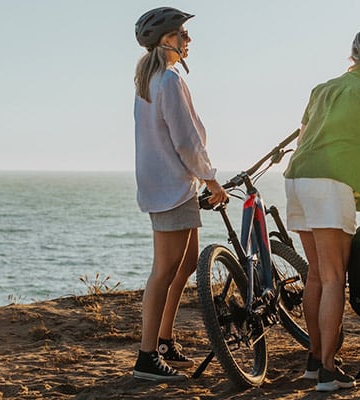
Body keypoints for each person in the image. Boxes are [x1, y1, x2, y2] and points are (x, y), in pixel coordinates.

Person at [283, 26, 360, 392]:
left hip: (297, 178)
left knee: (316, 275)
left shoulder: (322, 88)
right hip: (329, 184)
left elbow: (304, 136)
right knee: (334, 278)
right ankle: (328, 371)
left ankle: (315, 361)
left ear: (353, 54)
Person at [131, 7, 228, 382]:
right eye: (183, 34)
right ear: (166, 39)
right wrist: (211, 180)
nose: (189, 40)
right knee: (164, 271)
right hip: (172, 187)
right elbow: (186, 140)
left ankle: (164, 340)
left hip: (169, 186)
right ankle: (147, 356)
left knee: (186, 264)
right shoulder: (168, 80)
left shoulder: (151, 80)